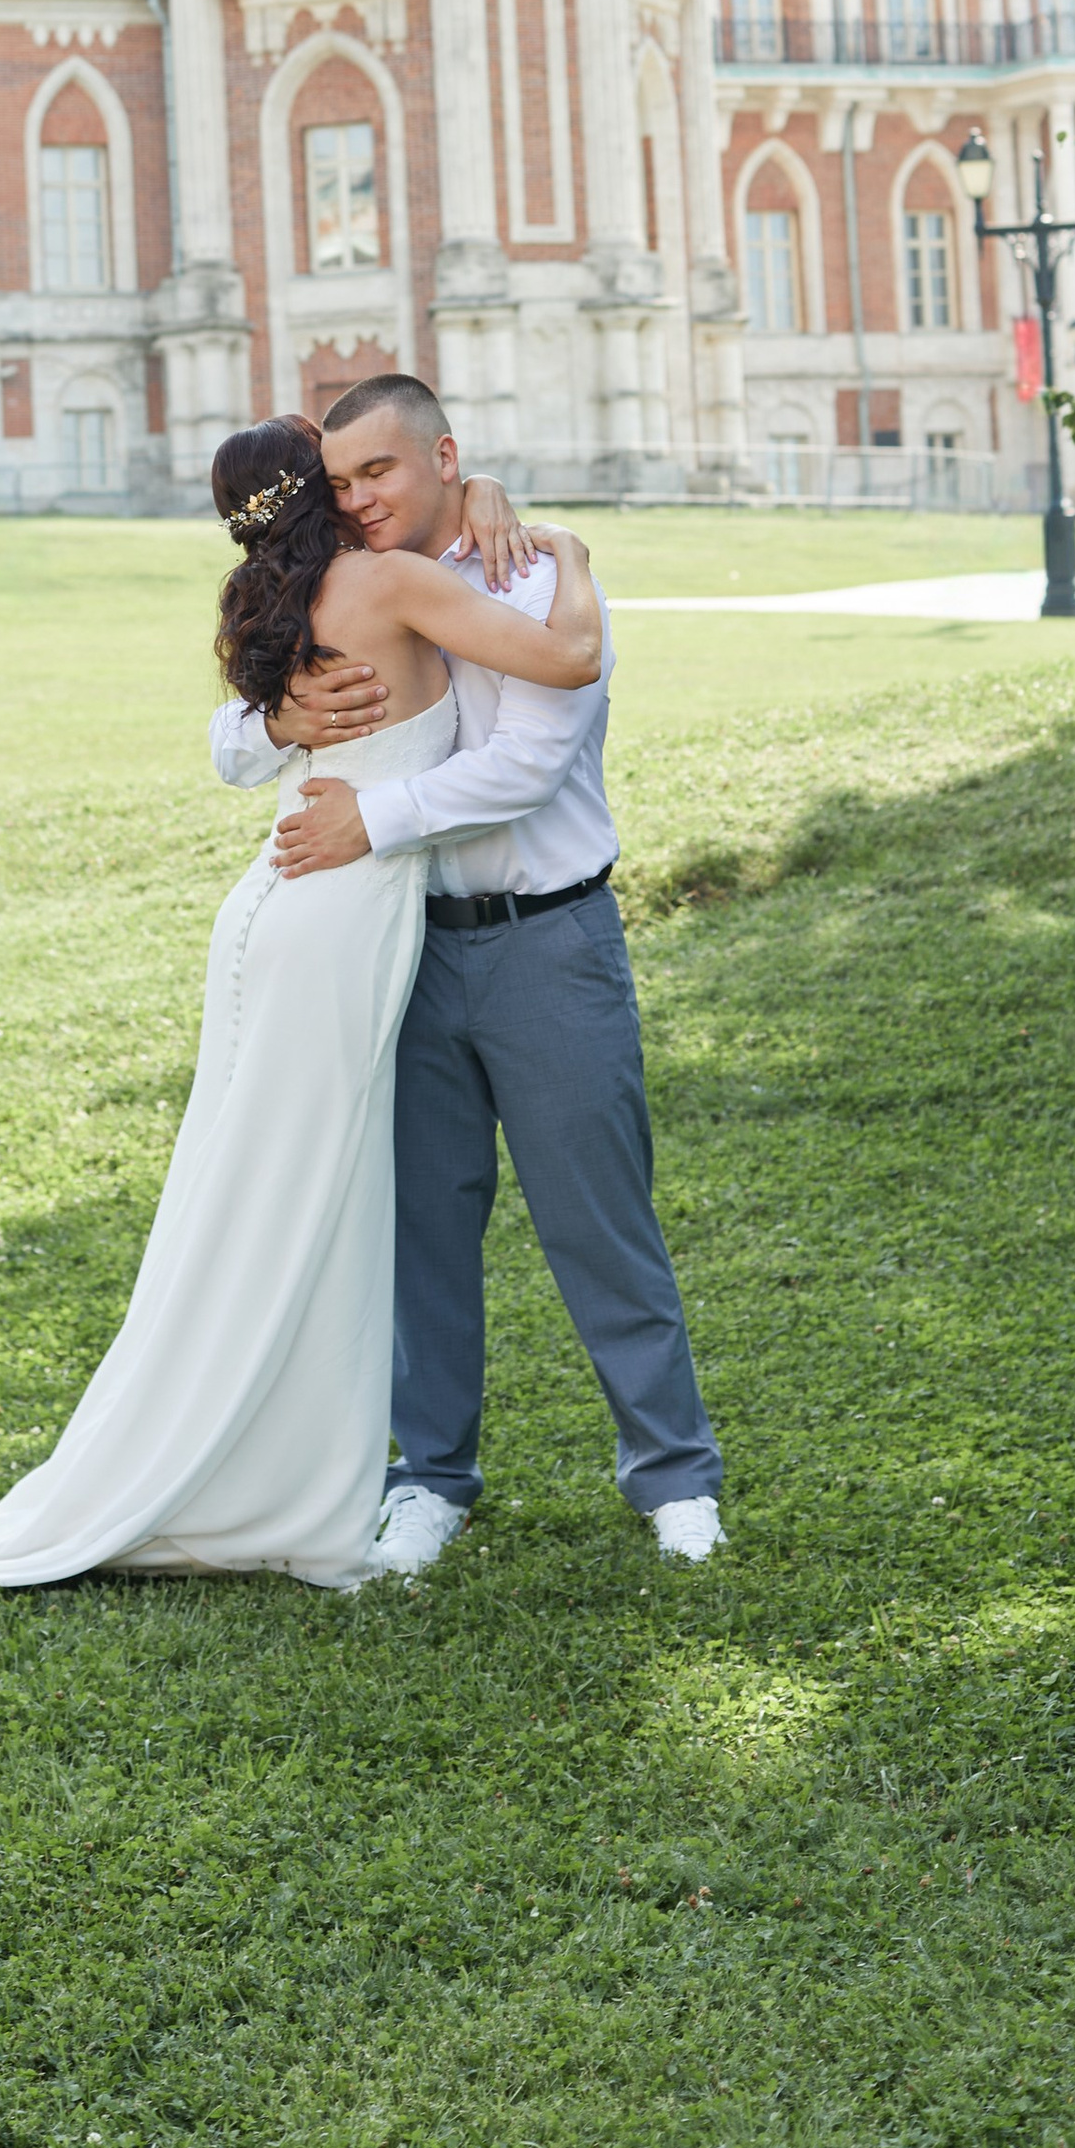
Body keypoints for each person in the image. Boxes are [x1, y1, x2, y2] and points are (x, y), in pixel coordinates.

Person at [0, 414, 603, 1597]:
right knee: (296, 1197)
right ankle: (259, 1484)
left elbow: (254, 736)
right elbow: (567, 659)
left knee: (259, 1188)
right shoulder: (393, 582)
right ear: (322, 497)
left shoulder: (292, 600)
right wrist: (568, 549)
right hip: (335, 908)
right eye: (341, 478)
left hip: (278, 902)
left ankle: (263, 1471)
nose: (364, 493)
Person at [213, 374, 725, 1575]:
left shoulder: (534, 576)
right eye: (338, 484)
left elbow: (526, 768)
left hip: (550, 944)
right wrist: (283, 722)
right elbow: (228, 735)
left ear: (445, 457)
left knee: (598, 1222)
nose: (358, 500)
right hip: (402, 953)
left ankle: (673, 1476)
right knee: (419, 1229)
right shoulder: (357, 583)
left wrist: (369, 818)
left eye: (379, 473)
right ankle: (429, 1477)